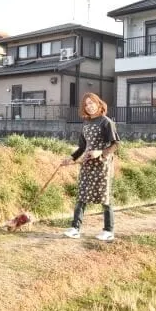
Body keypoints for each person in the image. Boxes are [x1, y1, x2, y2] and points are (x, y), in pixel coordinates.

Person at [61, 92, 120, 241]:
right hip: (87, 165)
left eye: (92, 103)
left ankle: (108, 231)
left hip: (102, 165)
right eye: (86, 104)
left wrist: (100, 152)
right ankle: (75, 228)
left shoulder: (106, 122)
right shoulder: (86, 123)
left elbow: (115, 144)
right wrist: (70, 158)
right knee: (81, 195)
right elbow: (82, 147)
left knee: (105, 198)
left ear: (99, 103)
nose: (89, 106)